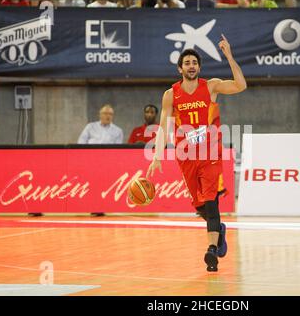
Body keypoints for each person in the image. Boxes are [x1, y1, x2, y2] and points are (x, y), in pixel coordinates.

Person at [147, 36, 247, 272]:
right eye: (187, 62)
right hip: (186, 155)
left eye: (194, 62)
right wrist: (157, 156)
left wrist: (230, 57)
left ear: (199, 67)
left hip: (210, 153)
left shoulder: (210, 86)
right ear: (180, 68)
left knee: (211, 200)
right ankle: (218, 230)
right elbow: (163, 127)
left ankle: (211, 250)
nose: (191, 66)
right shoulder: (170, 95)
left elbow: (241, 85)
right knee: (200, 205)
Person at [78, 104, 123, 217]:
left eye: (110, 114)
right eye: (105, 113)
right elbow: (80, 143)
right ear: (100, 114)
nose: (108, 116)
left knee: (106, 185)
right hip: (90, 161)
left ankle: (104, 207)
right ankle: (92, 207)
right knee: (91, 185)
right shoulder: (90, 127)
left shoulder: (118, 131)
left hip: (108, 163)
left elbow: (118, 150)